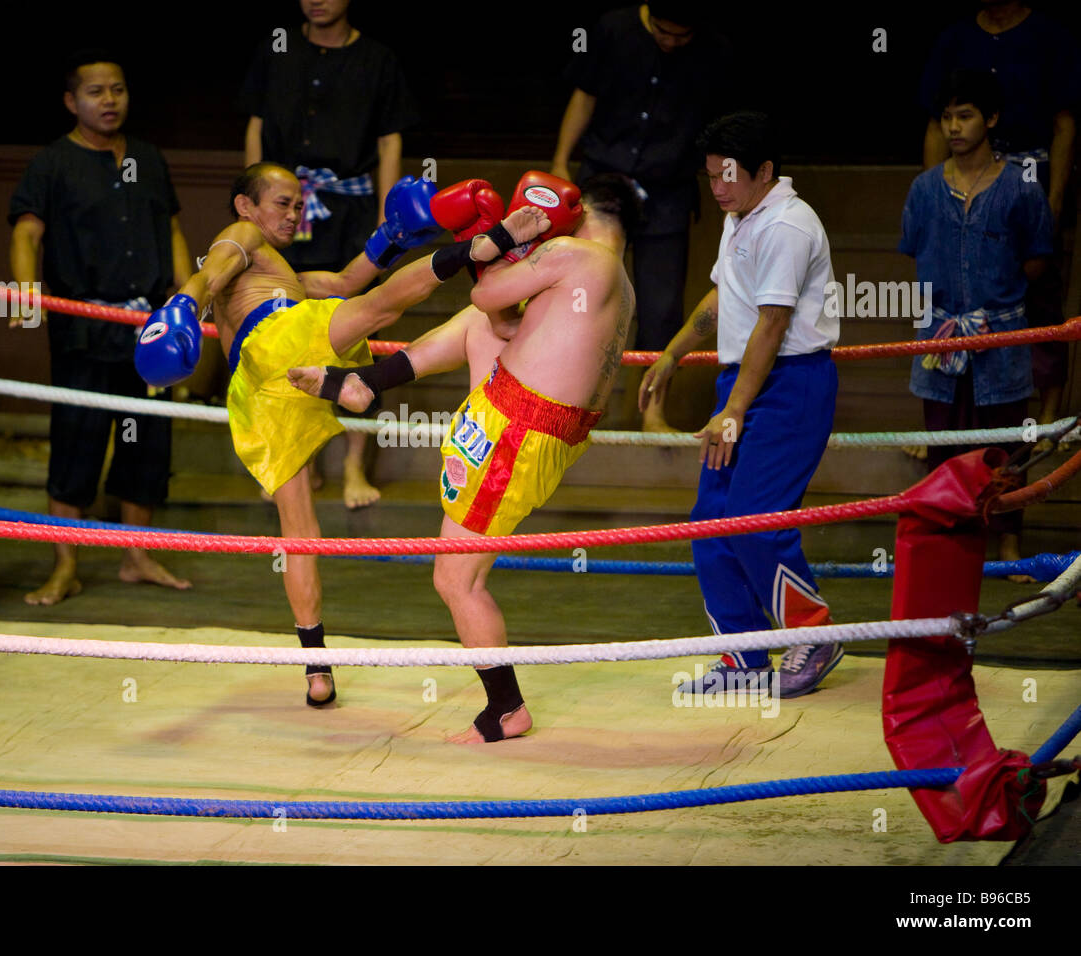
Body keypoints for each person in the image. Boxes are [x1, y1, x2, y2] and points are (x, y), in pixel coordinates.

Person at [134, 163, 551, 707]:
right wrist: (183, 305)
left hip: (262, 393)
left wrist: (391, 237)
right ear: (245, 206)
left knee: (299, 531)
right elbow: (210, 275)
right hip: (279, 342)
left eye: (297, 204)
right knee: (379, 309)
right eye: (282, 203)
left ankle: (316, 667)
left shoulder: (284, 272)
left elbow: (349, 279)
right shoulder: (240, 237)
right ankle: (485, 246)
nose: (294, 213)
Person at [289, 172, 631, 741]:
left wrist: (490, 240)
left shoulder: (574, 253)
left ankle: (506, 708)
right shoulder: (613, 281)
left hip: (518, 428)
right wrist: (493, 246)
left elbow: (485, 294)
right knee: (478, 327)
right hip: (532, 425)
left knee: (455, 577)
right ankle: (367, 383)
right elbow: (497, 321)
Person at [641, 112, 842, 699]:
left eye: (728, 175)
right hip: (744, 383)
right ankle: (744, 657)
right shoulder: (741, 217)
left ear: (765, 172)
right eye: (710, 177)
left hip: (790, 385)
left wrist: (733, 409)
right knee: (710, 523)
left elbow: (773, 324)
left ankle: (816, 633)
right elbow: (723, 296)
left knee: (755, 520)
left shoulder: (788, 225)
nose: (719, 187)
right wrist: (673, 354)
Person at [9, 50, 193, 606]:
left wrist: (188, 298)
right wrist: (25, 290)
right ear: (71, 101)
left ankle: (136, 556)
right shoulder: (51, 164)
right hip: (83, 325)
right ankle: (65, 565)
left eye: (117, 89)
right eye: (95, 92)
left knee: (149, 441)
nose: (109, 100)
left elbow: (172, 228)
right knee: (76, 444)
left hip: (149, 326)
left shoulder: (148, 158)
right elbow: (26, 234)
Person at [238, 0, 419, 509]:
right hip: (283, 210)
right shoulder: (276, 48)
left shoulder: (378, 58)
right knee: (285, 330)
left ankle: (354, 467)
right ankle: (301, 458)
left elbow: (390, 142)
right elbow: (255, 127)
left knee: (357, 330)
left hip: (352, 212)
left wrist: (391, 222)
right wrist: (256, 207)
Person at [901, 70, 1053, 582]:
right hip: (942, 333)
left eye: (964, 116)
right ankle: (949, 542)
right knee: (943, 440)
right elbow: (915, 252)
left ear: (989, 119)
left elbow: (1037, 258)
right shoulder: (924, 188)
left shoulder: (1020, 182)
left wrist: (995, 298)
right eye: (946, 117)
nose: (953, 127)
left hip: (1002, 333)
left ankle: (1008, 543)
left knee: (1005, 442)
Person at [551, 2, 730, 431]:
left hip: (668, 189)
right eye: (663, 33)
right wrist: (560, 161)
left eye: (681, 37)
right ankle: (571, 404)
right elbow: (585, 96)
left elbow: (721, 126)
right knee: (584, 297)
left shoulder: (714, 51)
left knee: (661, 309)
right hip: (603, 182)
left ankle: (652, 412)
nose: (670, 42)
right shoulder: (613, 28)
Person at [918, 0, 1081, 455]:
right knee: (958, 297)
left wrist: (1053, 200)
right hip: (966, 181)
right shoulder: (955, 38)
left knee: (1037, 296)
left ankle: (1046, 416)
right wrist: (937, 195)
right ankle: (948, 427)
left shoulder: (1049, 35)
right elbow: (936, 124)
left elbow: (1064, 123)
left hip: (1031, 174)